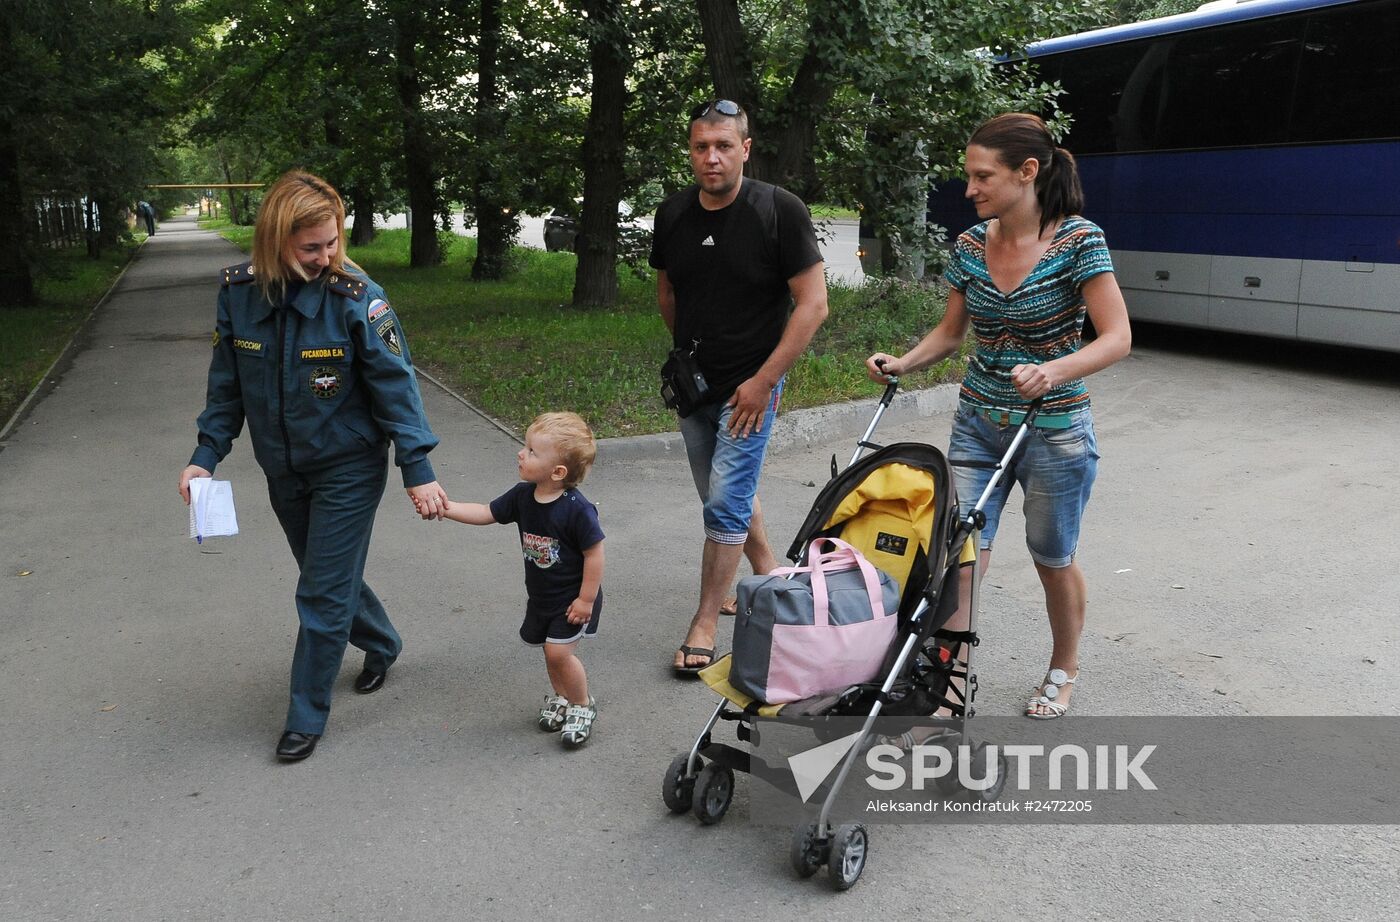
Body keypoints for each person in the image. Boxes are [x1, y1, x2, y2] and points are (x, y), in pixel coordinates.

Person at [865, 112, 1131, 719]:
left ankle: (1063, 667)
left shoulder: (1079, 242)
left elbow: (1117, 337)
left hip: (1055, 429)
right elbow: (952, 335)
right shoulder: (968, 246)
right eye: (968, 176)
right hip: (979, 423)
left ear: (1027, 172)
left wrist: (1054, 370)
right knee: (959, 555)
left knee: (1051, 556)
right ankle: (948, 682)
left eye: (983, 176)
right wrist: (903, 363)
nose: (970, 189)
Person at [178, 170, 449, 761]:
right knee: (327, 578)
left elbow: (395, 386)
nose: (327, 257)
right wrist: (205, 457)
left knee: (321, 593)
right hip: (282, 469)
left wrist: (417, 466)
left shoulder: (357, 296)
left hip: (348, 466)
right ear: (276, 239)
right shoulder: (238, 294)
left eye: (333, 243)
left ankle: (305, 716)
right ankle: (382, 642)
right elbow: (227, 388)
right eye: (311, 247)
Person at [649, 99, 829, 676]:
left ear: (745, 149)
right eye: (701, 147)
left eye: (724, 146)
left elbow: (813, 305)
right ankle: (768, 571)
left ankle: (704, 622)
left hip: (751, 387)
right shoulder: (673, 213)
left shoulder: (779, 210)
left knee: (725, 501)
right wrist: (691, 359)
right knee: (721, 492)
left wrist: (762, 381)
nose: (712, 157)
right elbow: (668, 293)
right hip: (694, 387)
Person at [432, 412, 605, 747]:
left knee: (559, 653)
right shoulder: (523, 496)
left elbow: (594, 554)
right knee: (548, 652)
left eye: (531, 451)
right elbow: (486, 513)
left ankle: (583, 704)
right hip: (542, 597)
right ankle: (563, 697)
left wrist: (586, 599)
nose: (521, 454)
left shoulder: (577, 510)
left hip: (573, 599)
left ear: (558, 472)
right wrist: (446, 507)